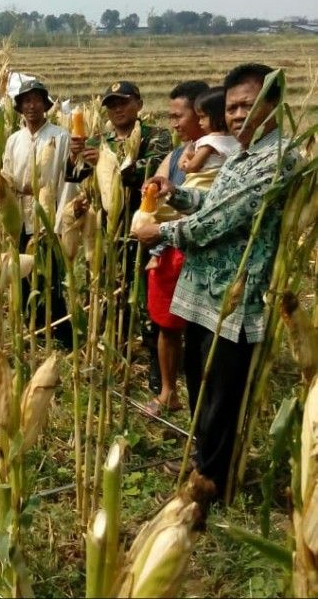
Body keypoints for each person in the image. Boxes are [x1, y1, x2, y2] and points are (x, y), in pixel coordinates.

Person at [133, 63, 300, 498]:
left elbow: (217, 223)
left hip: (236, 298)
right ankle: (201, 459)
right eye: (232, 107)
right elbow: (214, 203)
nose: (239, 114)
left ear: (273, 103)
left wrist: (159, 231)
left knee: (223, 393)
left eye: (248, 104)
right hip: (202, 292)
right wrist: (177, 194)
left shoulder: (277, 159)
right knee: (201, 382)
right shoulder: (243, 153)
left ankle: (214, 480)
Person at [67, 81, 171, 386]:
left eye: (123, 102)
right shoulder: (100, 139)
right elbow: (74, 178)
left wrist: (110, 165)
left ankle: (156, 364)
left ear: (138, 104)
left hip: (143, 229)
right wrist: (75, 157)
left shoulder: (157, 136)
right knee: (106, 292)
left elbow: (150, 173)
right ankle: (114, 353)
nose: (117, 109)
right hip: (105, 231)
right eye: (112, 104)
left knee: (144, 297)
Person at [144, 80, 210, 417]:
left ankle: (202, 407)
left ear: (201, 114)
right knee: (166, 326)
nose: (173, 123)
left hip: (199, 253)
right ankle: (168, 391)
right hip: (167, 251)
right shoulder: (173, 156)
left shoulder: (222, 155)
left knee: (200, 336)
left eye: (177, 116)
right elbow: (153, 196)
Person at [2, 79, 71, 346]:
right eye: (25, 101)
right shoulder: (13, 140)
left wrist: (61, 219)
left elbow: (66, 179)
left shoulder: (60, 136)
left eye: (36, 100)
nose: (31, 106)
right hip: (19, 214)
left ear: (45, 104)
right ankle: (31, 327)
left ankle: (58, 330)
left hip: (48, 214)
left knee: (49, 273)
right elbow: (7, 173)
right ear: (19, 107)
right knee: (22, 273)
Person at [177, 88, 240, 187]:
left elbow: (192, 167)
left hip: (200, 186)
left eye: (202, 117)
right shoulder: (236, 139)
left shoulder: (209, 141)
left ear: (218, 117)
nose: (199, 122)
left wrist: (185, 158)